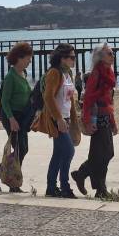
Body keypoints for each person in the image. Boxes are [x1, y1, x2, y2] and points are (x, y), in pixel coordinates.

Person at [32, 43, 79, 198]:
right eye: (71, 57)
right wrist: (58, 119)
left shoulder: (68, 74)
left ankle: (51, 188)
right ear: (62, 58)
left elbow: (70, 100)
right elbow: (48, 97)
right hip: (55, 119)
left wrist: (73, 120)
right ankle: (64, 186)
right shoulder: (54, 73)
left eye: (74, 57)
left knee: (58, 154)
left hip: (65, 119)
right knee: (68, 151)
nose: (74, 60)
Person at [71, 42, 117, 199]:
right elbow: (88, 98)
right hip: (96, 118)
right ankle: (98, 186)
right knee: (102, 154)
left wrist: (113, 121)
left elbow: (109, 101)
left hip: (105, 116)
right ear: (100, 57)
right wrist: (87, 121)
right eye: (109, 53)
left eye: (112, 53)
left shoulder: (108, 73)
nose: (113, 56)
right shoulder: (96, 74)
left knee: (105, 154)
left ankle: (84, 176)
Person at [0, 41, 33, 193]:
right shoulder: (10, 77)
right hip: (11, 117)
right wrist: (11, 119)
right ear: (19, 58)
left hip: (23, 118)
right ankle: (12, 183)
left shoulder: (23, 74)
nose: (30, 61)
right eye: (28, 58)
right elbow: (4, 101)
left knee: (23, 149)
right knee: (21, 149)